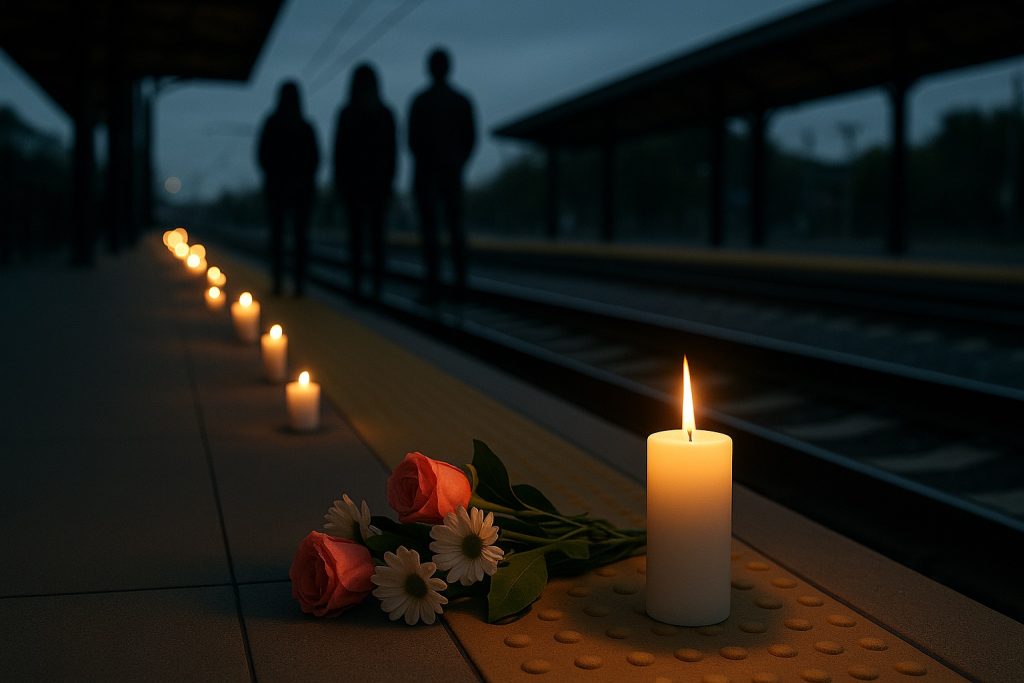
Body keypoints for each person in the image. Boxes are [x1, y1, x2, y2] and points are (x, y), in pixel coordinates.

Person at [408, 47, 476, 303]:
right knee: (455, 230)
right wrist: (457, 163)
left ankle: (433, 287)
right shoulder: (461, 101)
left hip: (427, 176)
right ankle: (460, 287)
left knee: (430, 234)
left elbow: (412, 140)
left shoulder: (420, 101)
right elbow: (470, 139)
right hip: (451, 175)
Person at [333, 64, 397, 299]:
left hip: (354, 188)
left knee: (357, 241)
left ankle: (357, 287)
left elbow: (339, 153)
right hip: (378, 186)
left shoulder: (347, 114)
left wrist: (340, 185)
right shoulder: (385, 114)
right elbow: (392, 153)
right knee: (377, 241)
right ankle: (377, 288)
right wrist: (389, 182)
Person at [257, 81, 319, 296]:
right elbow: (314, 159)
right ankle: (299, 286)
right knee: (300, 238)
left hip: (277, 190)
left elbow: (262, 156)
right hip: (301, 192)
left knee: (278, 238)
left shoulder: (271, 124)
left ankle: (278, 283)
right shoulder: (306, 127)